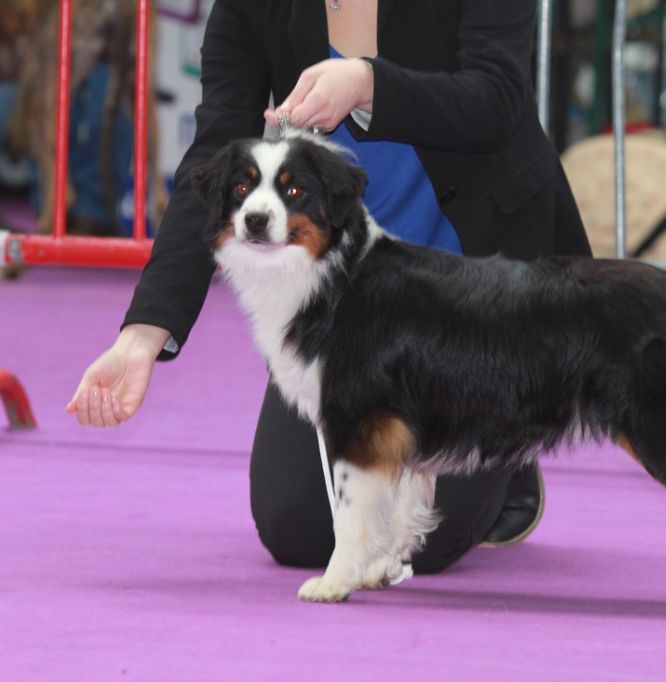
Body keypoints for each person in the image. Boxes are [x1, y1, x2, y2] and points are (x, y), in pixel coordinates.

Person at [66, 0, 592, 575]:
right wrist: (142, 336)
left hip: (478, 287)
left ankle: (514, 444)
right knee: (297, 529)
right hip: (346, 296)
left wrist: (368, 84)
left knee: (425, 543)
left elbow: (496, 100)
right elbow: (216, 153)